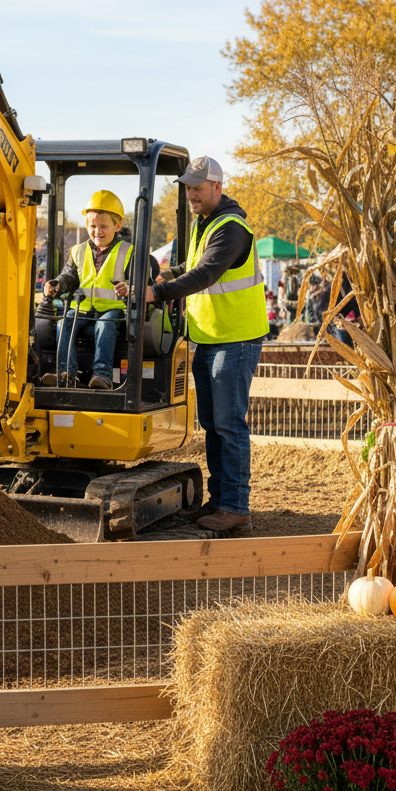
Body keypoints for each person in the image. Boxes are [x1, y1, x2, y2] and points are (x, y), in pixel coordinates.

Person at [144, 156, 269, 534]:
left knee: (229, 426)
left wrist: (158, 292)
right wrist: (165, 273)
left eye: (198, 188)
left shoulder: (231, 227)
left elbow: (207, 273)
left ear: (217, 186)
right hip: (211, 337)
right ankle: (221, 501)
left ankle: (236, 508)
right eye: (188, 187)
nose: (191, 194)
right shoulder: (205, 223)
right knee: (214, 425)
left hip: (236, 338)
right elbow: (192, 266)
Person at [40, 190, 132, 390]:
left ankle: (102, 375)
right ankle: (65, 373)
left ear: (118, 225)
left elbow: (140, 283)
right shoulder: (78, 251)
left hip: (112, 309)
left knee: (105, 325)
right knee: (64, 322)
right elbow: (69, 277)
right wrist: (56, 284)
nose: (97, 231)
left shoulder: (128, 252)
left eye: (103, 226)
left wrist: (129, 287)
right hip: (82, 308)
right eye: (92, 226)